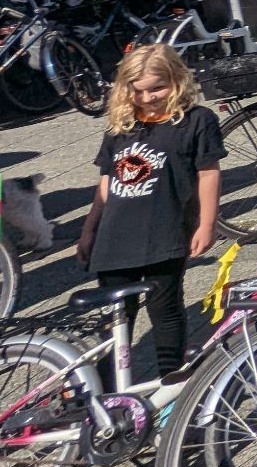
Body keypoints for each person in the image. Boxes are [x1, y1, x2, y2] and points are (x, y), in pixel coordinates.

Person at [75, 45, 221, 375]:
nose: (148, 97)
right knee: (114, 318)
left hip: (164, 230)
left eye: (158, 87)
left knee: (165, 309)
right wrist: (89, 228)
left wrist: (207, 223)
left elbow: (208, 173)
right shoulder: (121, 126)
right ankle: (108, 392)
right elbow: (106, 183)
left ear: (178, 79)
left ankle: (172, 381)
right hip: (116, 236)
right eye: (138, 91)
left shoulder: (196, 121)